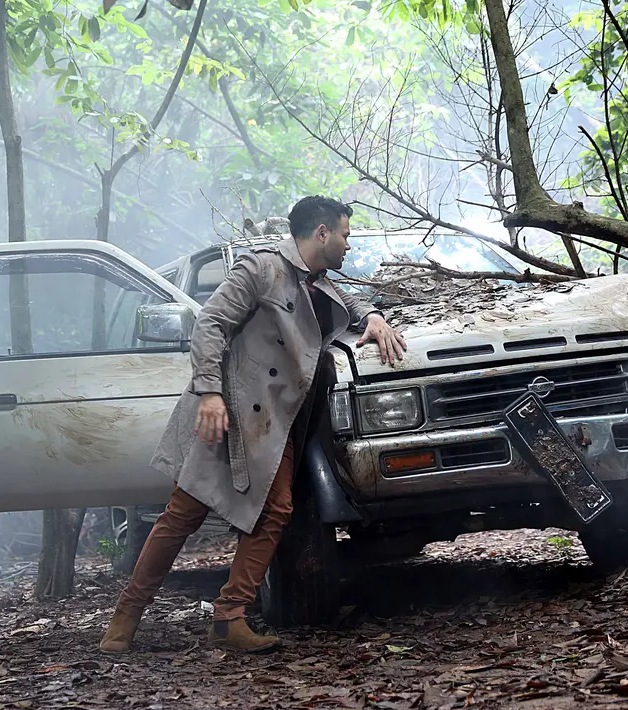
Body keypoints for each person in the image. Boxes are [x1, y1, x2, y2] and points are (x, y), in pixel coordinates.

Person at [99, 196, 407, 654]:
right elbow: (210, 323)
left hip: (271, 422)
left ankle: (228, 617)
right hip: (230, 410)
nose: (348, 244)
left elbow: (348, 297)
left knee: (276, 510)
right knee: (183, 514)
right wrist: (208, 392)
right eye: (344, 234)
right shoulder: (261, 268)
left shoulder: (317, 279)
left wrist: (376, 318)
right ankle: (125, 618)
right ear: (321, 233)